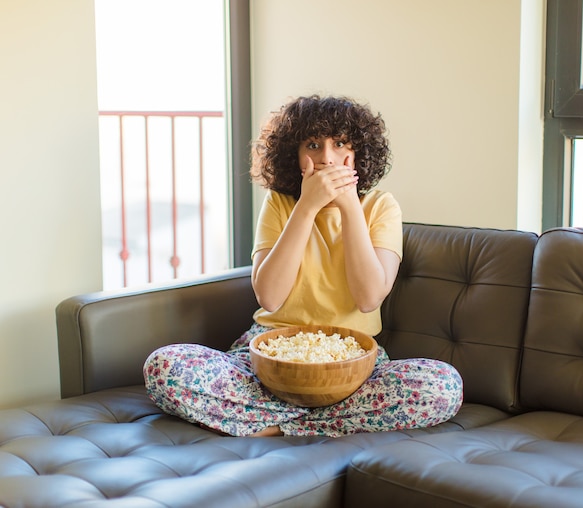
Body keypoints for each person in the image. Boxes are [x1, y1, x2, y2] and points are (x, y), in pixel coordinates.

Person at [143, 95, 463, 437]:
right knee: (164, 367)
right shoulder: (280, 204)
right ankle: (321, 422)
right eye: (313, 145)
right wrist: (307, 207)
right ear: (294, 156)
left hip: (350, 369)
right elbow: (269, 296)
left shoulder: (380, 206)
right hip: (270, 360)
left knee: (442, 387)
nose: (327, 158)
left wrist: (349, 207)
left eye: (339, 143)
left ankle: (274, 425)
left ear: (358, 152)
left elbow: (369, 298)